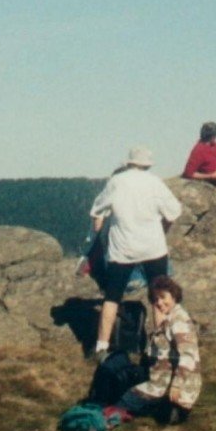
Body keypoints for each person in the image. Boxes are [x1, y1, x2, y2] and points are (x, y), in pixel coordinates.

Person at [89, 146, 183, 358]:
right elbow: (173, 212)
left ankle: (102, 347)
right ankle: (161, 344)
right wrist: (162, 231)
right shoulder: (155, 182)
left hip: (123, 249)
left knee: (112, 298)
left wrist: (99, 236)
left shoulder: (116, 182)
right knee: (159, 297)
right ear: (148, 164)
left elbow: (97, 212)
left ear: (128, 163)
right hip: (154, 247)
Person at [115, 275, 201, 422]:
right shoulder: (170, 317)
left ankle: (166, 407)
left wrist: (177, 386)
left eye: (163, 297)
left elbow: (188, 357)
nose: (159, 303)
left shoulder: (178, 321)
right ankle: (164, 408)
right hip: (164, 378)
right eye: (155, 299)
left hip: (172, 386)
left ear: (174, 296)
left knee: (124, 401)